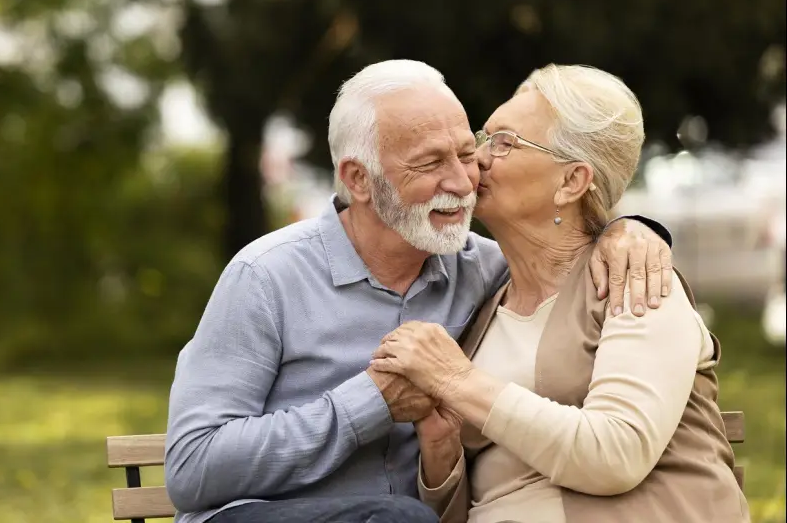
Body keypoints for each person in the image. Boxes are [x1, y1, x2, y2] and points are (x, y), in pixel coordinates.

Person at [164, 60, 675, 523]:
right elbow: (192, 467)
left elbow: (562, 243)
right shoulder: (266, 276)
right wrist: (370, 402)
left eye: (465, 153)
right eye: (430, 164)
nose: (462, 181)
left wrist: (628, 230)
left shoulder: (487, 272)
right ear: (359, 179)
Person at [371, 64, 748, 523]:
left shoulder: (635, 281)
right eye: (482, 138)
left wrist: (457, 383)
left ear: (572, 181)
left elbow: (615, 454)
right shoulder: (484, 301)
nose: (478, 159)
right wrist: (440, 448)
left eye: (505, 143)